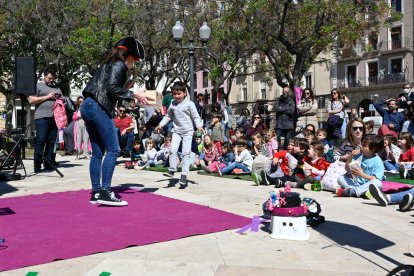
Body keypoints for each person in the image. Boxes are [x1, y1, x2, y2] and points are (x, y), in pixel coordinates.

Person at [81, 36, 152, 206]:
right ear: (129, 56)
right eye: (135, 59)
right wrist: (134, 94)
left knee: (98, 152)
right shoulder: (119, 64)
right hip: (97, 108)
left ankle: (96, 192)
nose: (134, 63)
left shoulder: (108, 64)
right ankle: (105, 192)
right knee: (113, 149)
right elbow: (111, 88)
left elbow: (108, 89)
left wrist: (125, 88)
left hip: (87, 106)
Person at [155, 81, 204, 188]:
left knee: (186, 153)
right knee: (172, 150)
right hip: (176, 131)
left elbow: (196, 116)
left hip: (188, 132)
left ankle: (184, 175)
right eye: (175, 94)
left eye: (179, 94)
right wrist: (160, 125)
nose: (177, 96)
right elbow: (168, 116)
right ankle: (172, 169)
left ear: (184, 93)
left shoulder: (189, 104)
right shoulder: (172, 104)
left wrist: (199, 125)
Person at [28, 68, 63, 173]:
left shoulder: (57, 88)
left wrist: (62, 100)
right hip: (42, 117)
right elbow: (31, 100)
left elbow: (62, 98)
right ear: (44, 76)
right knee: (41, 140)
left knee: (51, 142)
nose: (51, 80)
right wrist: (47, 96)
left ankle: (48, 164)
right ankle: (37, 165)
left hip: (55, 118)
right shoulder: (38, 86)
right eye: (49, 78)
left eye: (53, 78)